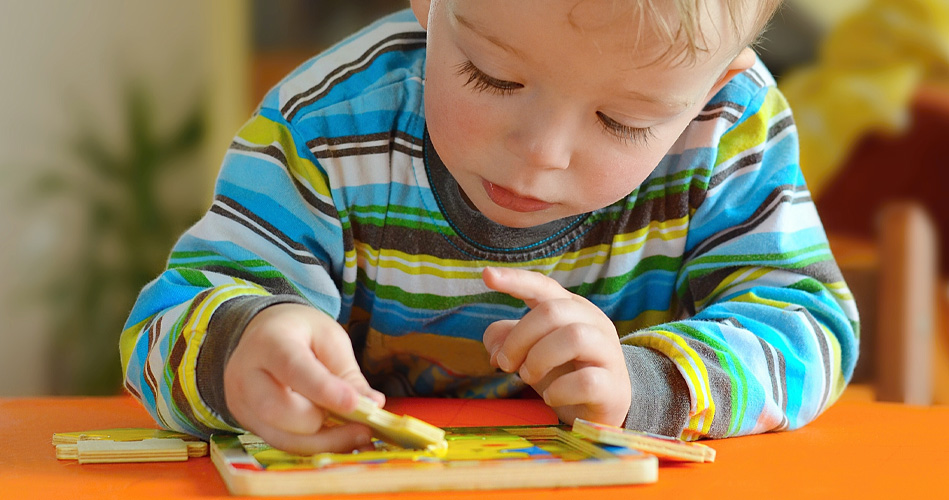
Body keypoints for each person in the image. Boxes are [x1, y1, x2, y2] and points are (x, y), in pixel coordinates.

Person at [120, 0, 859, 455]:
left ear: (715, 84)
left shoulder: (729, 129)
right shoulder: (322, 126)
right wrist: (239, 345)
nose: (542, 154)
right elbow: (160, 326)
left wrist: (652, 383)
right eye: (492, 79)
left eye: (622, 120)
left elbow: (808, 326)